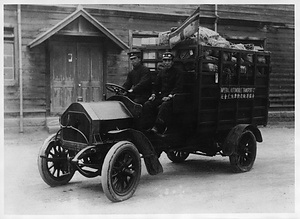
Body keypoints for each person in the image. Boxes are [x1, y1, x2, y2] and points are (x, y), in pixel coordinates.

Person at [143, 52, 184, 134]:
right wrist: (153, 94)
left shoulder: (178, 72)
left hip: (173, 98)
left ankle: (158, 127)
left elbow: (178, 87)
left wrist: (169, 96)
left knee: (164, 105)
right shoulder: (161, 73)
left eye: (169, 61)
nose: (167, 63)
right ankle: (148, 126)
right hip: (162, 96)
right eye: (165, 61)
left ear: (172, 62)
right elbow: (156, 86)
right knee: (148, 104)